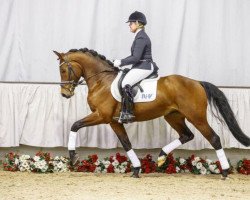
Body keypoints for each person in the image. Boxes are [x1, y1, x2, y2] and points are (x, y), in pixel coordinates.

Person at [113, 11, 159, 123]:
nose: (129, 25)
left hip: (144, 66)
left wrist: (121, 62)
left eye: (131, 23)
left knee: (125, 83)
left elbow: (135, 58)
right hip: (140, 65)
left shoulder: (141, 37)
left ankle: (128, 113)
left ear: (138, 23)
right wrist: (121, 62)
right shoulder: (139, 36)